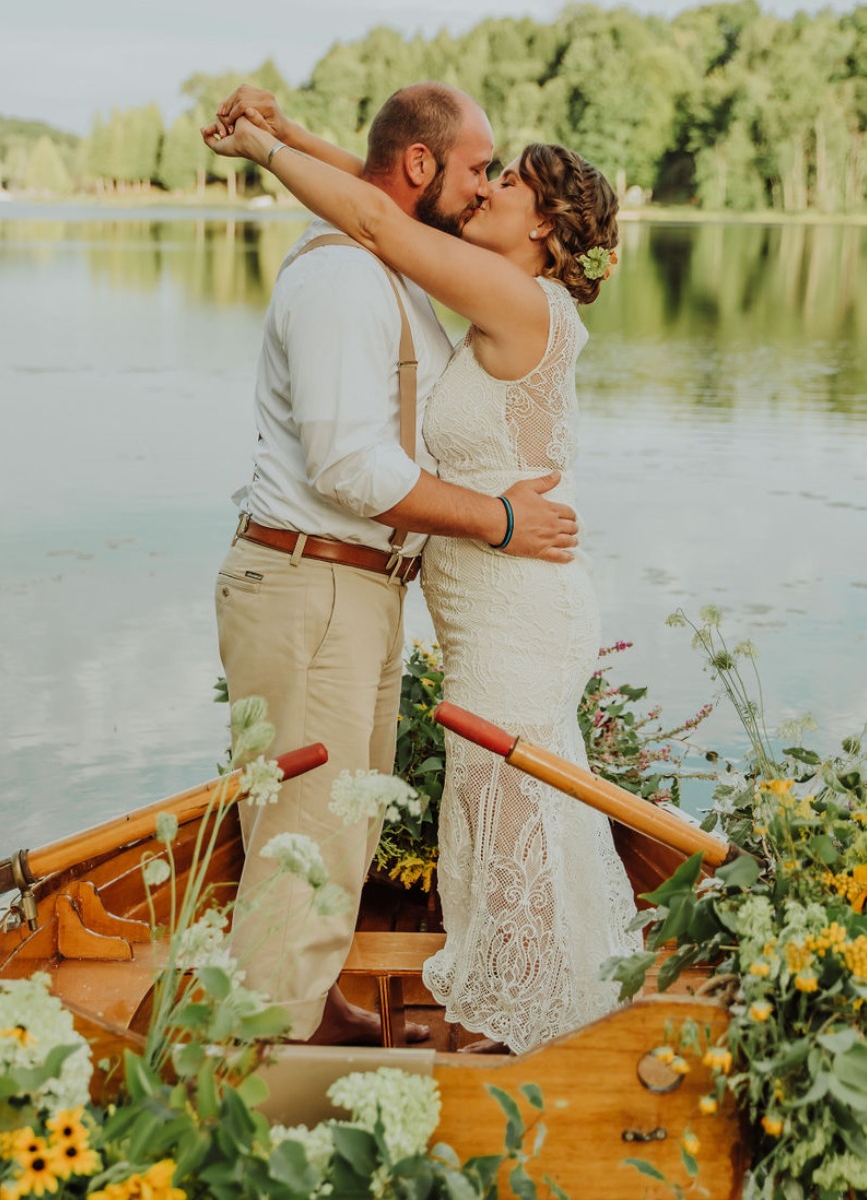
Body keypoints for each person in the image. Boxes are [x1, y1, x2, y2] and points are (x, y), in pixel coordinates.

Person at [204, 94, 642, 1055]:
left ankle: (529, 1014)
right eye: (482, 169)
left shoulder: (517, 299)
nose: (487, 188)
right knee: (420, 808)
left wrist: (265, 145)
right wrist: (281, 141)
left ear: (544, 228)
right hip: (460, 581)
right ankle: (306, 1028)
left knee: (501, 799)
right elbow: (381, 198)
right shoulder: (479, 286)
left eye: (507, 179)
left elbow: (375, 209)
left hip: (509, 592)